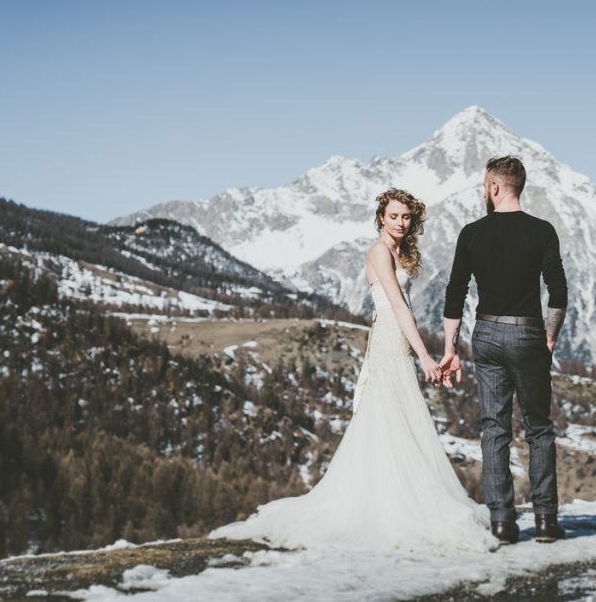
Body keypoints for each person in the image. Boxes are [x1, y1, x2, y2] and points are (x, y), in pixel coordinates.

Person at [210, 188, 499, 553]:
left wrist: (422, 351)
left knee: (399, 418)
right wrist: (425, 355)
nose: (400, 222)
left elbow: (405, 306)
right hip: (389, 340)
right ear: (381, 217)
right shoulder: (379, 251)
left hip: (398, 339)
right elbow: (397, 305)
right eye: (393, 216)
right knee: (387, 416)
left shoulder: (398, 250)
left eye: (406, 217)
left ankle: (394, 497)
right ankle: (386, 506)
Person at [440, 155, 568, 545]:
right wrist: (549, 337)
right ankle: (545, 521)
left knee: (494, 429)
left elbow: (455, 292)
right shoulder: (542, 230)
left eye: (484, 185)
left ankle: (502, 522)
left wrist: (450, 346)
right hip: (528, 333)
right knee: (539, 428)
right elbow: (558, 292)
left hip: (488, 335)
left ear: (494, 186)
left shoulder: (471, 233)